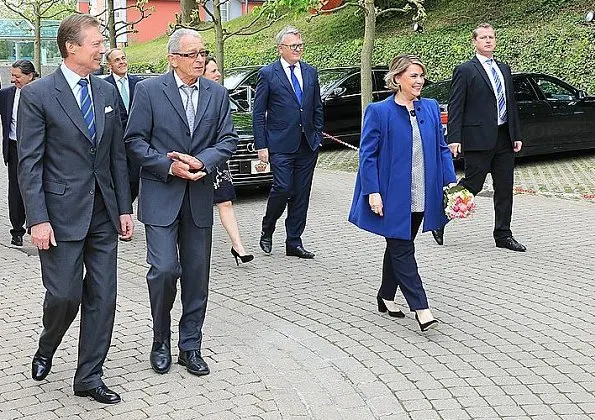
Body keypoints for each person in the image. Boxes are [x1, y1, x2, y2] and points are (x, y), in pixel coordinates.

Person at [17, 14, 134, 404]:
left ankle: (88, 377)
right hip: (59, 215)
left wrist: (123, 207)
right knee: (65, 295)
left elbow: (116, 154)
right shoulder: (37, 95)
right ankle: (47, 345)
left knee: (103, 296)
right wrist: (37, 218)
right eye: (97, 42)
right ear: (72, 47)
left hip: (103, 211)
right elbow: (29, 163)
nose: (103, 48)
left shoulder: (105, 92)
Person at [125, 29, 238, 377]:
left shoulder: (217, 95)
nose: (201, 59)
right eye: (192, 54)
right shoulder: (148, 91)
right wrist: (170, 165)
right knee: (163, 271)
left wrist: (201, 161)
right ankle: (160, 340)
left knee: (196, 275)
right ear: (173, 58)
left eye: (202, 53)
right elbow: (134, 141)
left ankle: (191, 346)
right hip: (161, 194)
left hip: (199, 196)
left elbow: (229, 139)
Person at [348, 55, 456, 332]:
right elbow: (367, 156)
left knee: (399, 243)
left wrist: (450, 183)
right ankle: (421, 307)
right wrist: (372, 191)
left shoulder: (430, 108)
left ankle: (385, 295)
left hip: (423, 191)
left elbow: (442, 148)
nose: (419, 81)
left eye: (421, 76)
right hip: (391, 195)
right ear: (397, 79)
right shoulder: (379, 111)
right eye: (413, 76)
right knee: (402, 248)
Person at [432, 23, 525, 252]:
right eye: (483, 37)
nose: (488, 41)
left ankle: (503, 235)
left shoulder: (504, 68)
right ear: (474, 42)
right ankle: (440, 217)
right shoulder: (465, 70)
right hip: (477, 137)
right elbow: (456, 105)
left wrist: (516, 133)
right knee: (473, 184)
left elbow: (510, 103)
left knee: (504, 187)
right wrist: (454, 137)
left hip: (504, 136)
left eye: (491, 37)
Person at [253, 25, 324, 259]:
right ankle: (268, 227)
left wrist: (318, 134)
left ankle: (294, 241)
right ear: (280, 48)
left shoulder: (311, 72)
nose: (298, 50)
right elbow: (258, 112)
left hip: (307, 144)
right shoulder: (268, 74)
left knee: (301, 193)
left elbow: (316, 107)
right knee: (283, 188)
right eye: (293, 46)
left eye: (300, 45)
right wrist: (261, 145)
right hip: (280, 143)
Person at [202, 56, 254, 265]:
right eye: (213, 71)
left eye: (217, 70)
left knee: (225, 202)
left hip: (216, 159)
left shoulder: (220, 95)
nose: (218, 74)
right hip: (194, 159)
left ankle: (238, 246)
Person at [0, 60, 38, 247]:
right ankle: (17, 230)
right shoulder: (6, 95)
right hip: (15, 148)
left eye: (17, 76)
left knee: (36, 187)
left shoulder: (42, 93)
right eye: (12, 76)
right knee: (15, 191)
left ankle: (36, 225)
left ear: (30, 76)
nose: (13, 79)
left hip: (38, 149)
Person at [104, 48, 142, 204]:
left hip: (136, 142)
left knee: (134, 181)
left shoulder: (139, 83)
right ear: (109, 65)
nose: (122, 62)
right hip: (115, 143)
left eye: (123, 58)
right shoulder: (103, 86)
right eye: (117, 60)